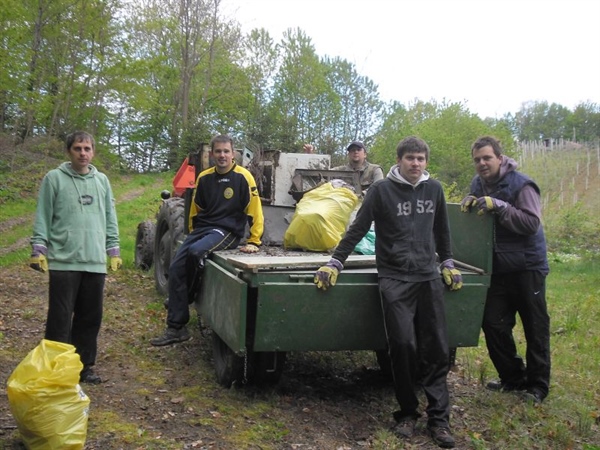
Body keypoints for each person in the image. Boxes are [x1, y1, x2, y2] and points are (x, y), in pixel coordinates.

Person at [314, 136, 463, 449]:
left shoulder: (434, 189)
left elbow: (442, 231)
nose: (416, 164)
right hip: (394, 278)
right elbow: (357, 228)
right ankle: (407, 412)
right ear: (399, 160)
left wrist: (447, 261)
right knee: (402, 345)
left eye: (421, 159)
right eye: (410, 158)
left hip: (427, 277)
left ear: (426, 162)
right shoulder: (381, 191)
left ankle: (439, 420)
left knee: (436, 347)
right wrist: (335, 262)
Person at [460, 136, 550, 404]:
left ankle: (537, 387)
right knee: (493, 323)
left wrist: (500, 206)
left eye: (487, 157)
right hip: (497, 267)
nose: (482, 163)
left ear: (500, 158)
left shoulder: (522, 184)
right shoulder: (478, 183)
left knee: (535, 326)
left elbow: (531, 223)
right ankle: (512, 378)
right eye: (477, 159)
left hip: (527, 266)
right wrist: (469, 204)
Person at [151, 134, 264, 346]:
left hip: (226, 232)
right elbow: (195, 210)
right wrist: (192, 235)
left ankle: (185, 299)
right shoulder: (204, 178)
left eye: (226, 151)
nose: (222, 155)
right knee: (176, 266)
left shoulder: (243, 177)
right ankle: (176, 328)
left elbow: (255, 211)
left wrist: (254, 241)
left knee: (196, 253)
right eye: (218, 151)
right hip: (202, 230)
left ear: (233, 154)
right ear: (212, 154)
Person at [30, 131, 122, 384]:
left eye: (87, 148)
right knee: (59, 319)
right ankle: (56, 367)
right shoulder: (54, 179)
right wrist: (39, 248)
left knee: (90, 318)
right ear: (69, 151)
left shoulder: (102, 181)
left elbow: (109, 217)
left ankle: (84, 368)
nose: (83, 153)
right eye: (77, 148)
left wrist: (113, 248)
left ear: (93, 152)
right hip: (63, 260)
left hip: (94, 262)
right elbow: (43, 214)